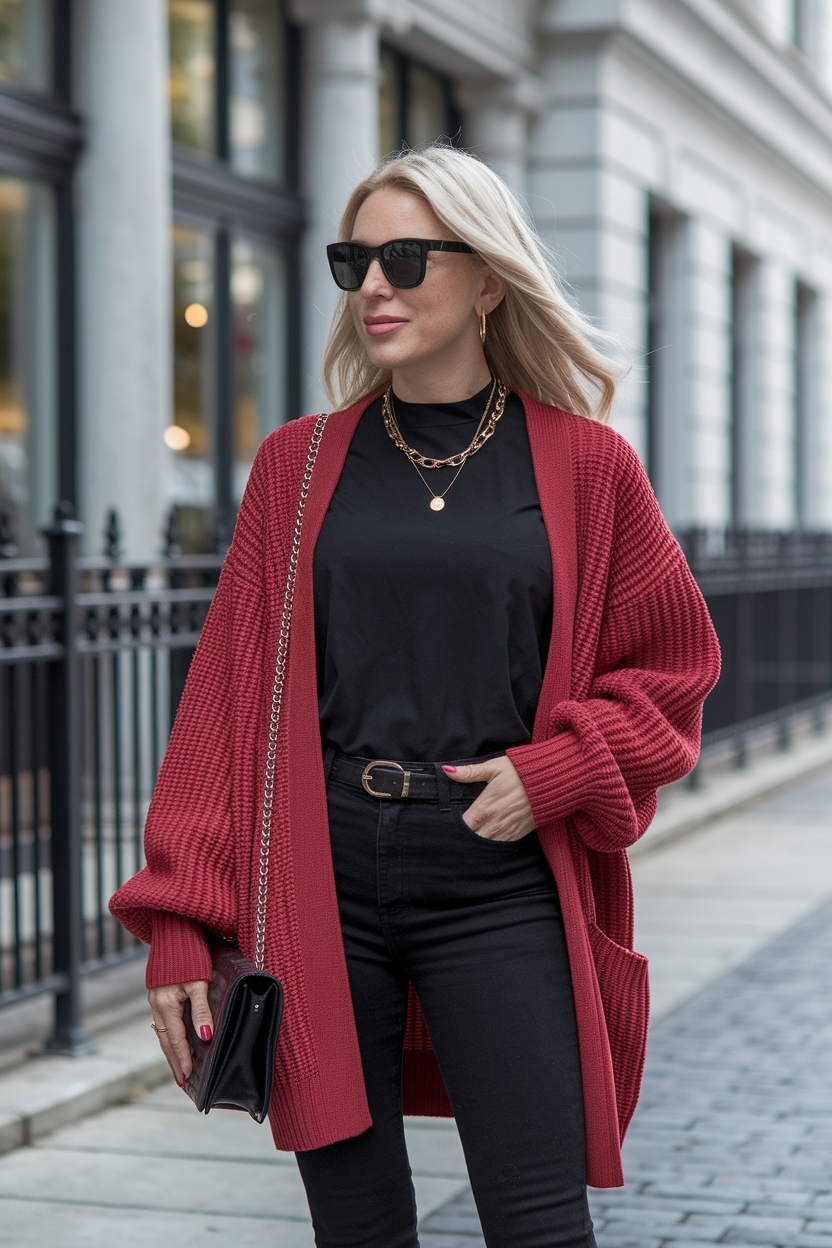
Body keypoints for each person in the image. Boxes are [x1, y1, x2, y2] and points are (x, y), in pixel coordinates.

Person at [110, 145, 720, 1248]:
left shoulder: (586, 468)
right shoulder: (295, 469)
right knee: (358, 1228)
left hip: (498, 877)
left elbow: (673, 668)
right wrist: (179, 925)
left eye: (404, 257)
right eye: (356, 261)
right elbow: (222, 707)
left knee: (537, 1223)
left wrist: (556, 772)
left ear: (487, 278)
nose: (374, 287)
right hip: (321, 875)